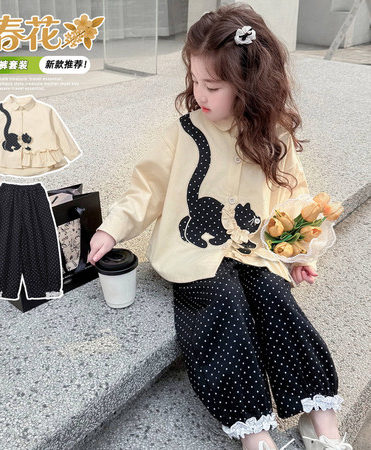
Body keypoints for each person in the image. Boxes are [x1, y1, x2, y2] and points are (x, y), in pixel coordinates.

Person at [88, 4, 352, 450]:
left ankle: (321, 419)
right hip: (194, 251)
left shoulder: (275, 136)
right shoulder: (183, 132)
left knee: (274, 298)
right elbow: (146, 189)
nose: (200, 93)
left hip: (256, 248)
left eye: (212, 86)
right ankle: (254, 432)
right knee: (222, 303)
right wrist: (112, 228)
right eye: (194, 80)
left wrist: (297, 255)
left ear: (249, 85)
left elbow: (293, 199)